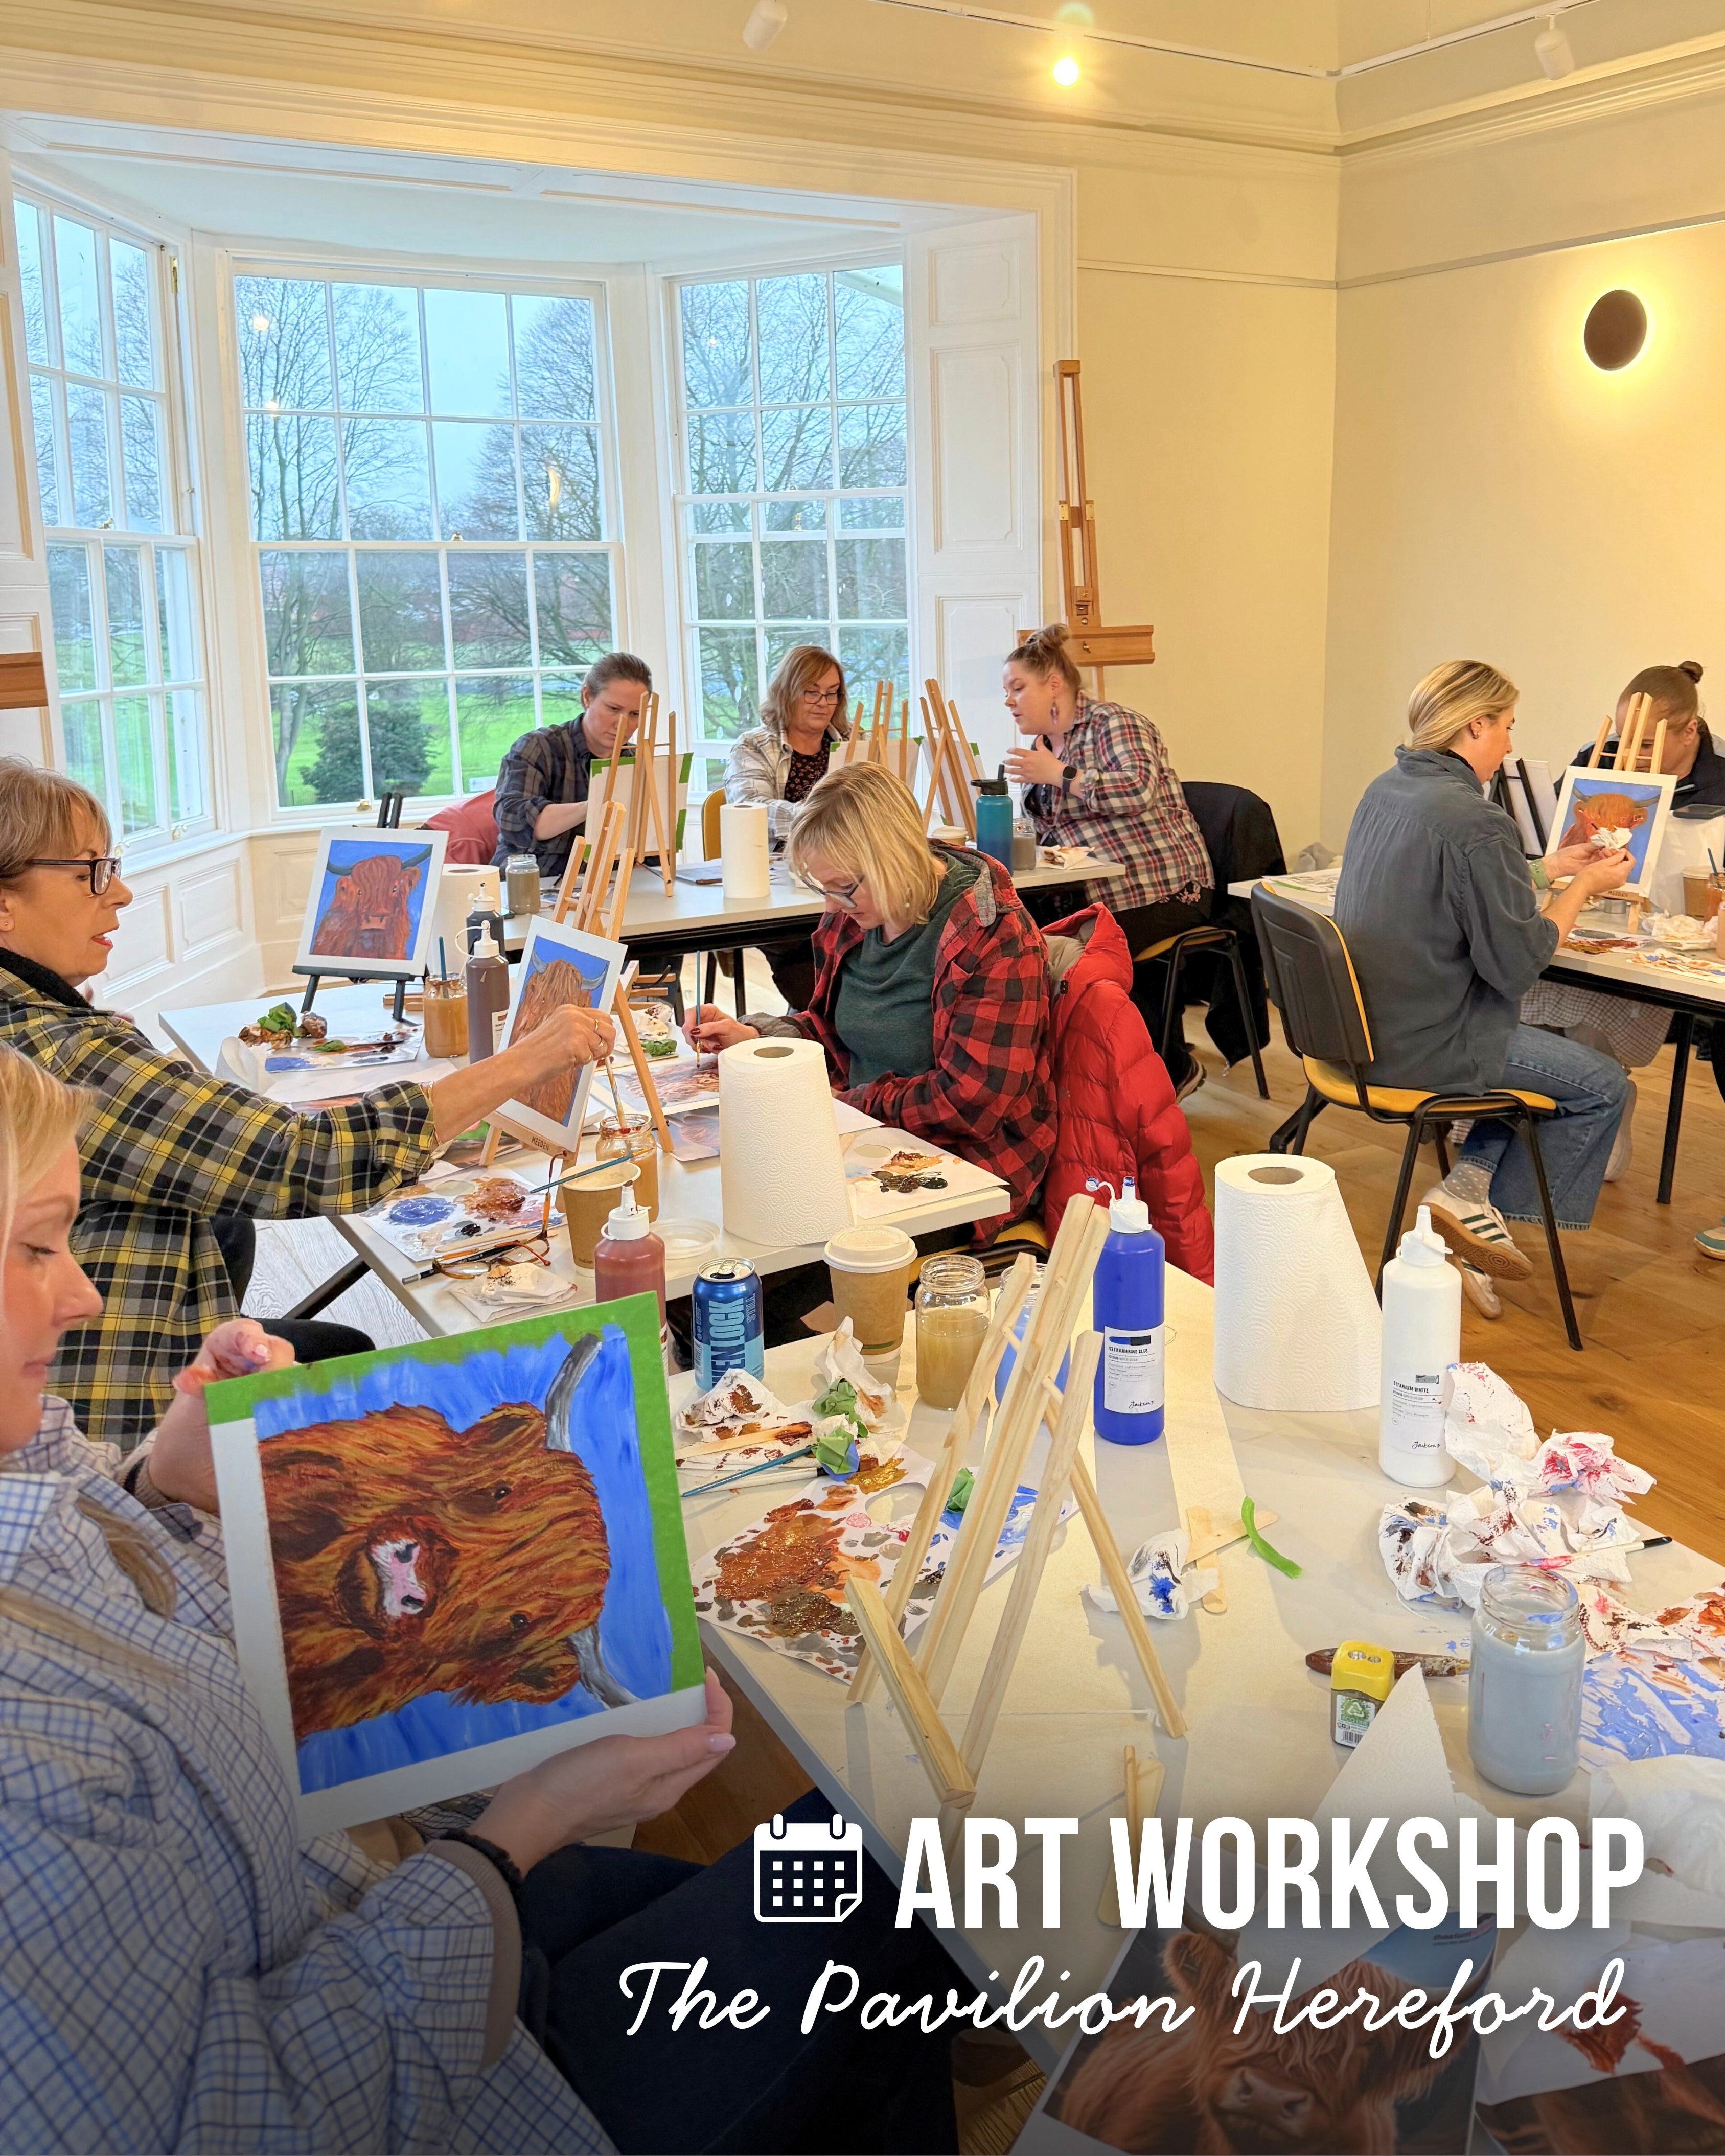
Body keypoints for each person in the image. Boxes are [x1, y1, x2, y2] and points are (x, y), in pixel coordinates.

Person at [0, 1046, 965, 2154]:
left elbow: (129, 1597)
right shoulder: (28, 1746)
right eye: (35, 1247)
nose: (80, 1293)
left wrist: (161, 1490)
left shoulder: (29, 1463)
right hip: (457, 2071)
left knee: (854, 1921)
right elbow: (254, 2121)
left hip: (376, 1895)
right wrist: (528, 1824)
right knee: (906, 1858)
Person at [0, 759, 613, 1448]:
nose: (119, 892)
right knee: (377, 1383)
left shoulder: (41, 1026)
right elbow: (311, 1158)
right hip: (112, 1417)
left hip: (124, 1361)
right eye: (89, 870)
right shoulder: (51, 1054)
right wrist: (524, 1059)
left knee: (338, 1340)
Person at [686, 764, 1055, 1331]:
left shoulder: (993, 936)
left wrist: (851, 1104)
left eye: (843, 887)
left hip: (967, 1166)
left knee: (757, 1286)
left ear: (893, 860)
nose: (832, 905)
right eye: (823, 888)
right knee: (720, 1251)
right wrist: (761, 1038)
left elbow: (971, 1104)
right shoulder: (860, 916)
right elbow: (835, 1034)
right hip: (870, 1140)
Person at [1333, 661, 1633, 1294]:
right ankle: (1480, 1222)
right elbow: (1519, 964)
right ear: (1476, 725)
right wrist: (1582, 886)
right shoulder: (1477, 820)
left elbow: (1453, 883)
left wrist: (1544, 869)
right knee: (1605, 1085)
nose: (1510, 745)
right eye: (1507, 727)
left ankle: (1469, 1189)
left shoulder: (1387, 789)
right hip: (1428, 1042)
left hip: (1358, 1027)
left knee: (1573, 1049)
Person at [1521, 664, 1718, 1201]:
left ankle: (1603, 1099)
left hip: (1675, 939)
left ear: (1690, 730)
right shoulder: (1597, 759)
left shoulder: (1721, 780)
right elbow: (1550, 836)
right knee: (1536, 980)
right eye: (1628, 738)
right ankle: (1548, 1108)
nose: (1633, 753)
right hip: (1585, 921)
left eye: (1651, 741)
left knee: (1602, 1007)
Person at [1003, 625, 1215, 1096]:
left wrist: (1061, 774)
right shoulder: (1044, 746)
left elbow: (1137, 789)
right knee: (1014, 939)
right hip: (1092, 890)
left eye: (1018, 688)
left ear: (1054, 684)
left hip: (1164, 889)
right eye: (1007, 692)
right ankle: (1067, 1077)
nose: (1009, 701)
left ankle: (1163, 1068)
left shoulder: (1112, 724)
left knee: (1083, 957)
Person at [724, 643, 854, 1010]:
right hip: (778, 887)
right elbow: (750, 808)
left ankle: (834, 1023)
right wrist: (820, 817)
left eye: (831, 693)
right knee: (811, 974)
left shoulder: (850, 745)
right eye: (811, 692)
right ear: (787, 692)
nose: (822, 702)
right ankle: (817, 1020)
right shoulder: (753, 746)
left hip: (846, 883)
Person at [492, 651, 652, 885]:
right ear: (587, 697)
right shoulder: (538, 747)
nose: (623, 724)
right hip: (534, 882)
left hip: (610, 884)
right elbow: (513, 820)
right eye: (614, 709)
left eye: (635, 714)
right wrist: (594, 805)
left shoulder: (636, 759)